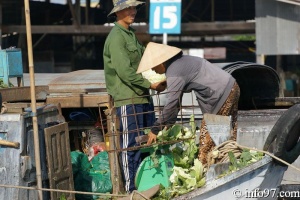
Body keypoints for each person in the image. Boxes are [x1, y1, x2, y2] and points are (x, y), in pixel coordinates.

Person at [136, 42, 240, 165]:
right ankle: (231, 164)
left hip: (220, 94)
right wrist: (169, 123)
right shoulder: (180, 63)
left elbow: (171, 102)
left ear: (161, 62)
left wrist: (155, 129)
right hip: (231, 86)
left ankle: (206, 172)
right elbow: (177, 101)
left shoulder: (174, 71)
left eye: (153, 66)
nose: (153, 69)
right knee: (225, 136)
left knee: (207, 141)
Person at [103, 1, 166, 193]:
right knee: (130, 145)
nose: (133, 12)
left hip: (143, 97)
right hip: (127, 99)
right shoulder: (116, 38)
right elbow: (125, 72)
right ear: (118, 12)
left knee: (150, 140)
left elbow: (143, 66)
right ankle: (131, 190)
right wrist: (151, 84)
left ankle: (152, 181)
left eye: (135, 8)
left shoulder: (131, 35)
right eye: (129, 8)